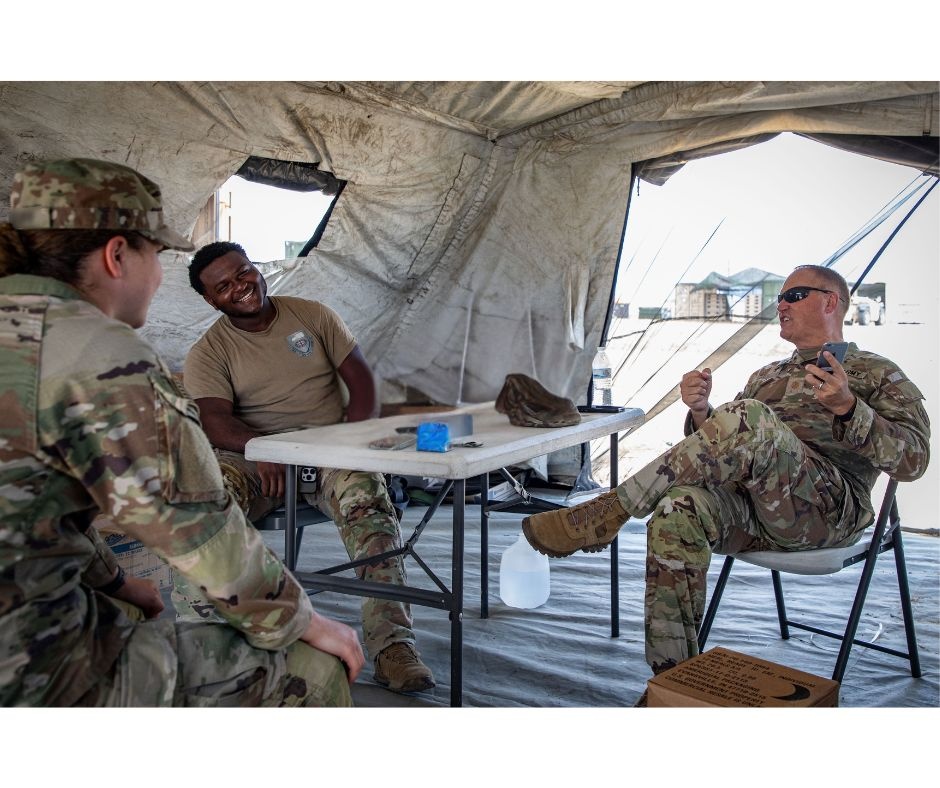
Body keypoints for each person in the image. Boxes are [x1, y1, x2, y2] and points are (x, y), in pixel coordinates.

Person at [0, 158, 364, 707]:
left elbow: (40, 505)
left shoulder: (311, 315)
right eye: (158, 255)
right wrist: (296, 620)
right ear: (118, 255)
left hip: (325, 455)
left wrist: (117, 584)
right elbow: (194, 523)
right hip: (29, 668)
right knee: (315, 667)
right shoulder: (100, 352)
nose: (158, 275)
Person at [523, 265, 930, 687]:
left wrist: (849, 408)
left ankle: (610, 510)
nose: (781, 305)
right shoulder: (766, 376)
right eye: (780, 298)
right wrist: (701, 412)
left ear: (831, 301)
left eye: (794, 296)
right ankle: (673, 682)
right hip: (754, 511)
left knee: (749, 416)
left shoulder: (877, 373)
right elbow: (722, 448)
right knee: (677, 507)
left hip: (826, 514)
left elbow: (913, 462)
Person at [184, 241, 435, 694]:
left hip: (325, 453)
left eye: (243, 273)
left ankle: (393, 646)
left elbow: (361, 383)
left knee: (371, 508)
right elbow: (215, 420)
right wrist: (264, 447)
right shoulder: (209, 351)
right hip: (253, 457)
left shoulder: (312, 315)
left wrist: (350, 445)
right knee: (206, 506)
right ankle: (208, 645)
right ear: (209, 299)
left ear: (256, 269)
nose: (240, 287)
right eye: (224, 286)